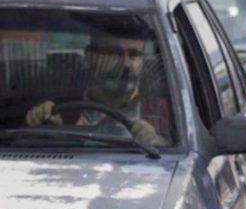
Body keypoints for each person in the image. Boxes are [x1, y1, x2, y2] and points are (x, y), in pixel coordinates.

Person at [25, 26, 169, 147]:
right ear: (90, 57)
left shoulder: (162, 111)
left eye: (133, 55)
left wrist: (154, 142)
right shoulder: (63, 111)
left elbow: (177, 157)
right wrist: (41, 123)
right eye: (113, 54)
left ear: (142, 61)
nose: (125, 64)